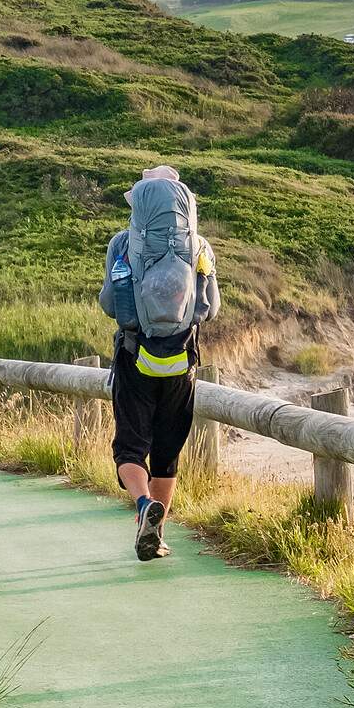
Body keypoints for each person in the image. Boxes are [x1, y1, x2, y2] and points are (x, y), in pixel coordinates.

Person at [99, 166, 220, 561]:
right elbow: (211, 308)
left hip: (135, 358)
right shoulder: (199, 246)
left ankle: (141, 505)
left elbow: (109, 304)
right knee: (167, 453)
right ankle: (158, 533)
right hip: (182, 363)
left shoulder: (121, 244)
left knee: (129, 450)